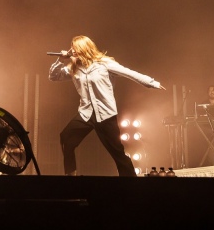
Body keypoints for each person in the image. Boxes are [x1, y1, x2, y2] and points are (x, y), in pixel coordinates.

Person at [49, 35, 166, 177]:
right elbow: (54, 76)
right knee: (66, 137)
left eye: (75, 47)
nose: (72, 50)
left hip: (105, 114)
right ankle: (71, 176)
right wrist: (61, 59)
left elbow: (129, 73)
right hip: (86, 113)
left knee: (117, 152)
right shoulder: (74, 67)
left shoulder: (104, 64)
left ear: (84, 48)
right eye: (71, 47)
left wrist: (152, 82)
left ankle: (131, 182)